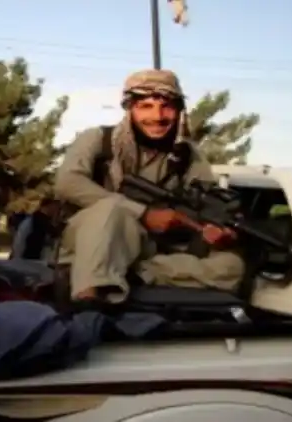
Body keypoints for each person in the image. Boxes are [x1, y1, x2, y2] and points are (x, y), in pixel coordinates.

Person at [54, 69, 245, 304]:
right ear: (130, 109)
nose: (157, 116)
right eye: (145, 106)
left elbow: (207, 203)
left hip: (150, 249)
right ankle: (90, 303)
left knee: (230, 267)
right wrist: (143, 213)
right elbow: (67, 183)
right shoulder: (98, 140)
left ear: (178, 110)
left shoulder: (187, 155)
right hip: (94, 236)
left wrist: (219, 231)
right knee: (111, 210)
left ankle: (130, 273)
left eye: (167, 107)